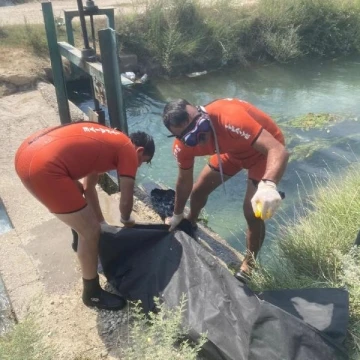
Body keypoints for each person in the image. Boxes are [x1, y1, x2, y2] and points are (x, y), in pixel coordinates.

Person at [15, 121, 155, 310]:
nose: (138, 165)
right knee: (90, 232)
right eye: (143, 161)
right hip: (43, 168)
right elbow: (126, 201)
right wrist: (126, 220)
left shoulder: (108, 141)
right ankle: (92, 294)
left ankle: (77, 238)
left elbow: (89, 188)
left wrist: (102, 222)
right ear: (139, 151)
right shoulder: (128, 151)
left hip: (27, 151)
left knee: (78, 192)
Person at [162, 98, 289, 282]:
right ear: (179, 138)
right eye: (191, 138)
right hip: (232, 152)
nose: (200, 138)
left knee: (251, 212)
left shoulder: (229, 117)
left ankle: (249, 264)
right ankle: (191, 220)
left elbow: (277, 150)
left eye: (201, 126)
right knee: (198, 191)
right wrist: (177, 213)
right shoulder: (182, 148)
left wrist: (268, 185)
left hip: (264, 152)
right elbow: (184, 182)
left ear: (202, 113)